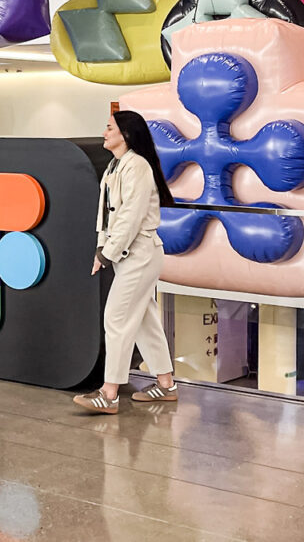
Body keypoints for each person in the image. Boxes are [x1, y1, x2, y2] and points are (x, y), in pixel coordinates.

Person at [73, 111, 176, 415]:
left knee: (116, 319)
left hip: (141, 254)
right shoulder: (114, 166)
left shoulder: (138, 166)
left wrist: (107, 253)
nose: (104, 133)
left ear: (126, 134)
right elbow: (106, 215)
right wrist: (102, 247)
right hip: (130, 255)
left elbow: (131, 217)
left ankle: (109, 393)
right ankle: (166, 384)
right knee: (144, 321)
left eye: (110, 128)